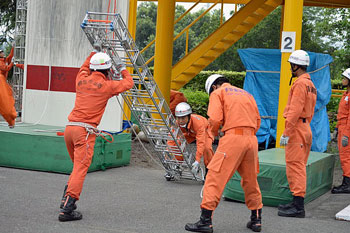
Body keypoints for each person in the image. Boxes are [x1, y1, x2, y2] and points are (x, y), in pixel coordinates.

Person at [58, 45, 134, 222]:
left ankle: (66, 199)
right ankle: (67, 208)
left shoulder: (81, 79)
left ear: (92, 68)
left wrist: (94, 51)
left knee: (77, 167)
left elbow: (84, 66)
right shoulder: (107, 86)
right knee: (80, 169)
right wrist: (122, 69)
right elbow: (129, 83)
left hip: (70, 129)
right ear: (107, 70)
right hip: (84, 132)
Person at [185, 74, 263, 233]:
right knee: (250, 180)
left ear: (213, 86)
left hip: (232, 140)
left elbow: (214, 119)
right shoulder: (247, 94)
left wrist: (213, 134)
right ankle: (256, 220)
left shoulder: (218, 93)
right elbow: (258, 121)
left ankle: (205, 221)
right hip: (251, 140)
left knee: (214, 177)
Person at [278, 50, 317, 218]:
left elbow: (295, 110)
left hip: (296, 129)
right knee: (299, 165)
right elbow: (310, 110)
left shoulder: (300, 84)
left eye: (291, 65)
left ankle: (298, 206)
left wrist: (287, 132)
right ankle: (295, 202)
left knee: (295, 166)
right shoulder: (311, 85)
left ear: (295, 65)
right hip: (305, 127)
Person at [168, 102, 213, 174]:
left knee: (207, 148)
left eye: (183, 118)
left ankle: (209, 171)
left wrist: (197, 161)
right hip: (190, 133)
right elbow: (171, 139)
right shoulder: (176, 123)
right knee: (177, 143)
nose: (180, 121)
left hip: (205, 131)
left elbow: (200, 142)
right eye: (178, 118)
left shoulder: (198, 124)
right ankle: (177, 164)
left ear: (188, 116)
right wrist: (168, 152)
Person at [332, 68, 350, 194]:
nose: (342, 80)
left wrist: (346, 135)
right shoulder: (345, 95)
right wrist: (337, 129)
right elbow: (342, 114)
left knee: (346, 157)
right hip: (342, 127)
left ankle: (347, 184)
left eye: (345, 78)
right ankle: (346, 182)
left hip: (347, 129)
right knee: (344, 156)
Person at [0, 45, 17, 128]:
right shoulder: (0, 62)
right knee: (5, 101)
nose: (2, 53)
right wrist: (12, 64)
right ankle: (10, 120)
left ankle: (11, 121)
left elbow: (10, 56)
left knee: (8, 99)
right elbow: (6, 68)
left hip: (3, 82)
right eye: (1, 53)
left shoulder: (4, 60)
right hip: (1, 81)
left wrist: (13, 47)